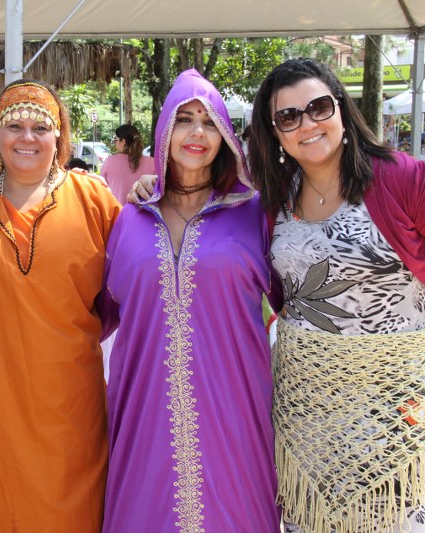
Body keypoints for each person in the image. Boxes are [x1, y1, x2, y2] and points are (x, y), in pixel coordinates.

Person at [247, 58, 425, 533]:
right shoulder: (276, 197)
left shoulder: (402, 178)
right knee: (313, 517)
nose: (307, 124)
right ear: (274, 133)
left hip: (397, 393)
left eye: (319, 107)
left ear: (341, 108)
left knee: (398, 516)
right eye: (288, 117)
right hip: (309, 401)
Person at [98, 69, 280, 532]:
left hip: (234, 407)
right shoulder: (130, 219)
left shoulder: (254, 213)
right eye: (184, 120)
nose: (197, 132)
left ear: (225, 137)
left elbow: (295, 302)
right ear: (164, 130)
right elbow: (98, 314)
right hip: (145, 409)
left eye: (209, 122)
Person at [0, 79, 121, 532]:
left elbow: (132, 284)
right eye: (14, 126)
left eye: (40, 127)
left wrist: (149, 199)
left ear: (59, 134)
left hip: (66, 405)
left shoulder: (94, 199)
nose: (27, 138)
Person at [99, 123, 154, 204]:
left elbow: (101, 190)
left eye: (116, 140)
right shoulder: (152, 163)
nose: (115, 144)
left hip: (118, 211)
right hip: (144, 211)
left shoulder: (109, 162)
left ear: (123, 142)